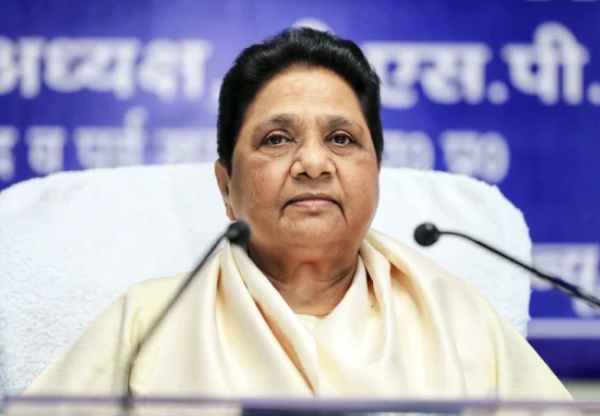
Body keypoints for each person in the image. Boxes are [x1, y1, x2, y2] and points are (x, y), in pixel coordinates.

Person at [24, 27, 570, 400]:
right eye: (277, 138)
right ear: (226, 187)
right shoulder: (148, 322)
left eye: (341, 138)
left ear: (376, 173)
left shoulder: (456, 317)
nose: (313, 163)